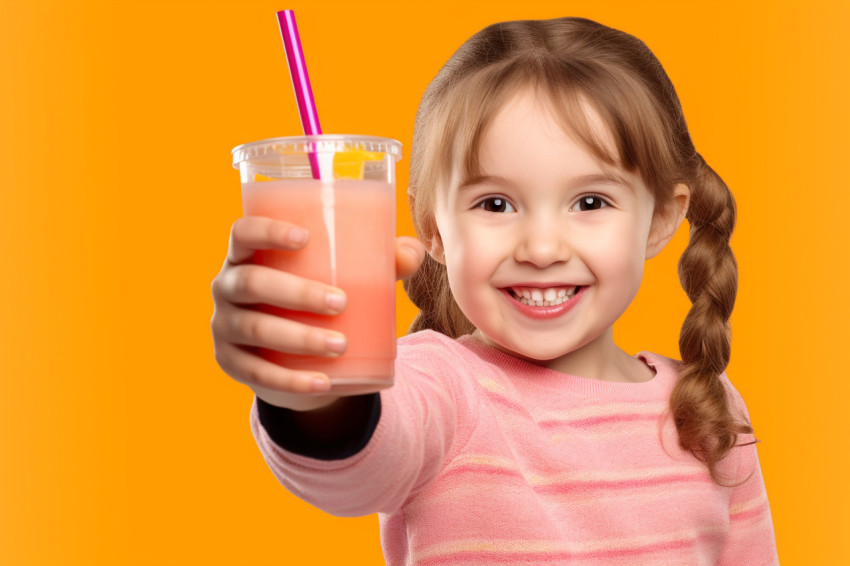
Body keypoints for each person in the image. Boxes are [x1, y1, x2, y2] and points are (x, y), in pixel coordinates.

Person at [211, 17, 778, 565]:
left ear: (659, 220)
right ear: (433, 226)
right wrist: (311, 386)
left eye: (589, 203)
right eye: (495, 204)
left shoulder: (708, 406)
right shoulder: (444, 389)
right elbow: (358, 460)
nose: (541, 247)